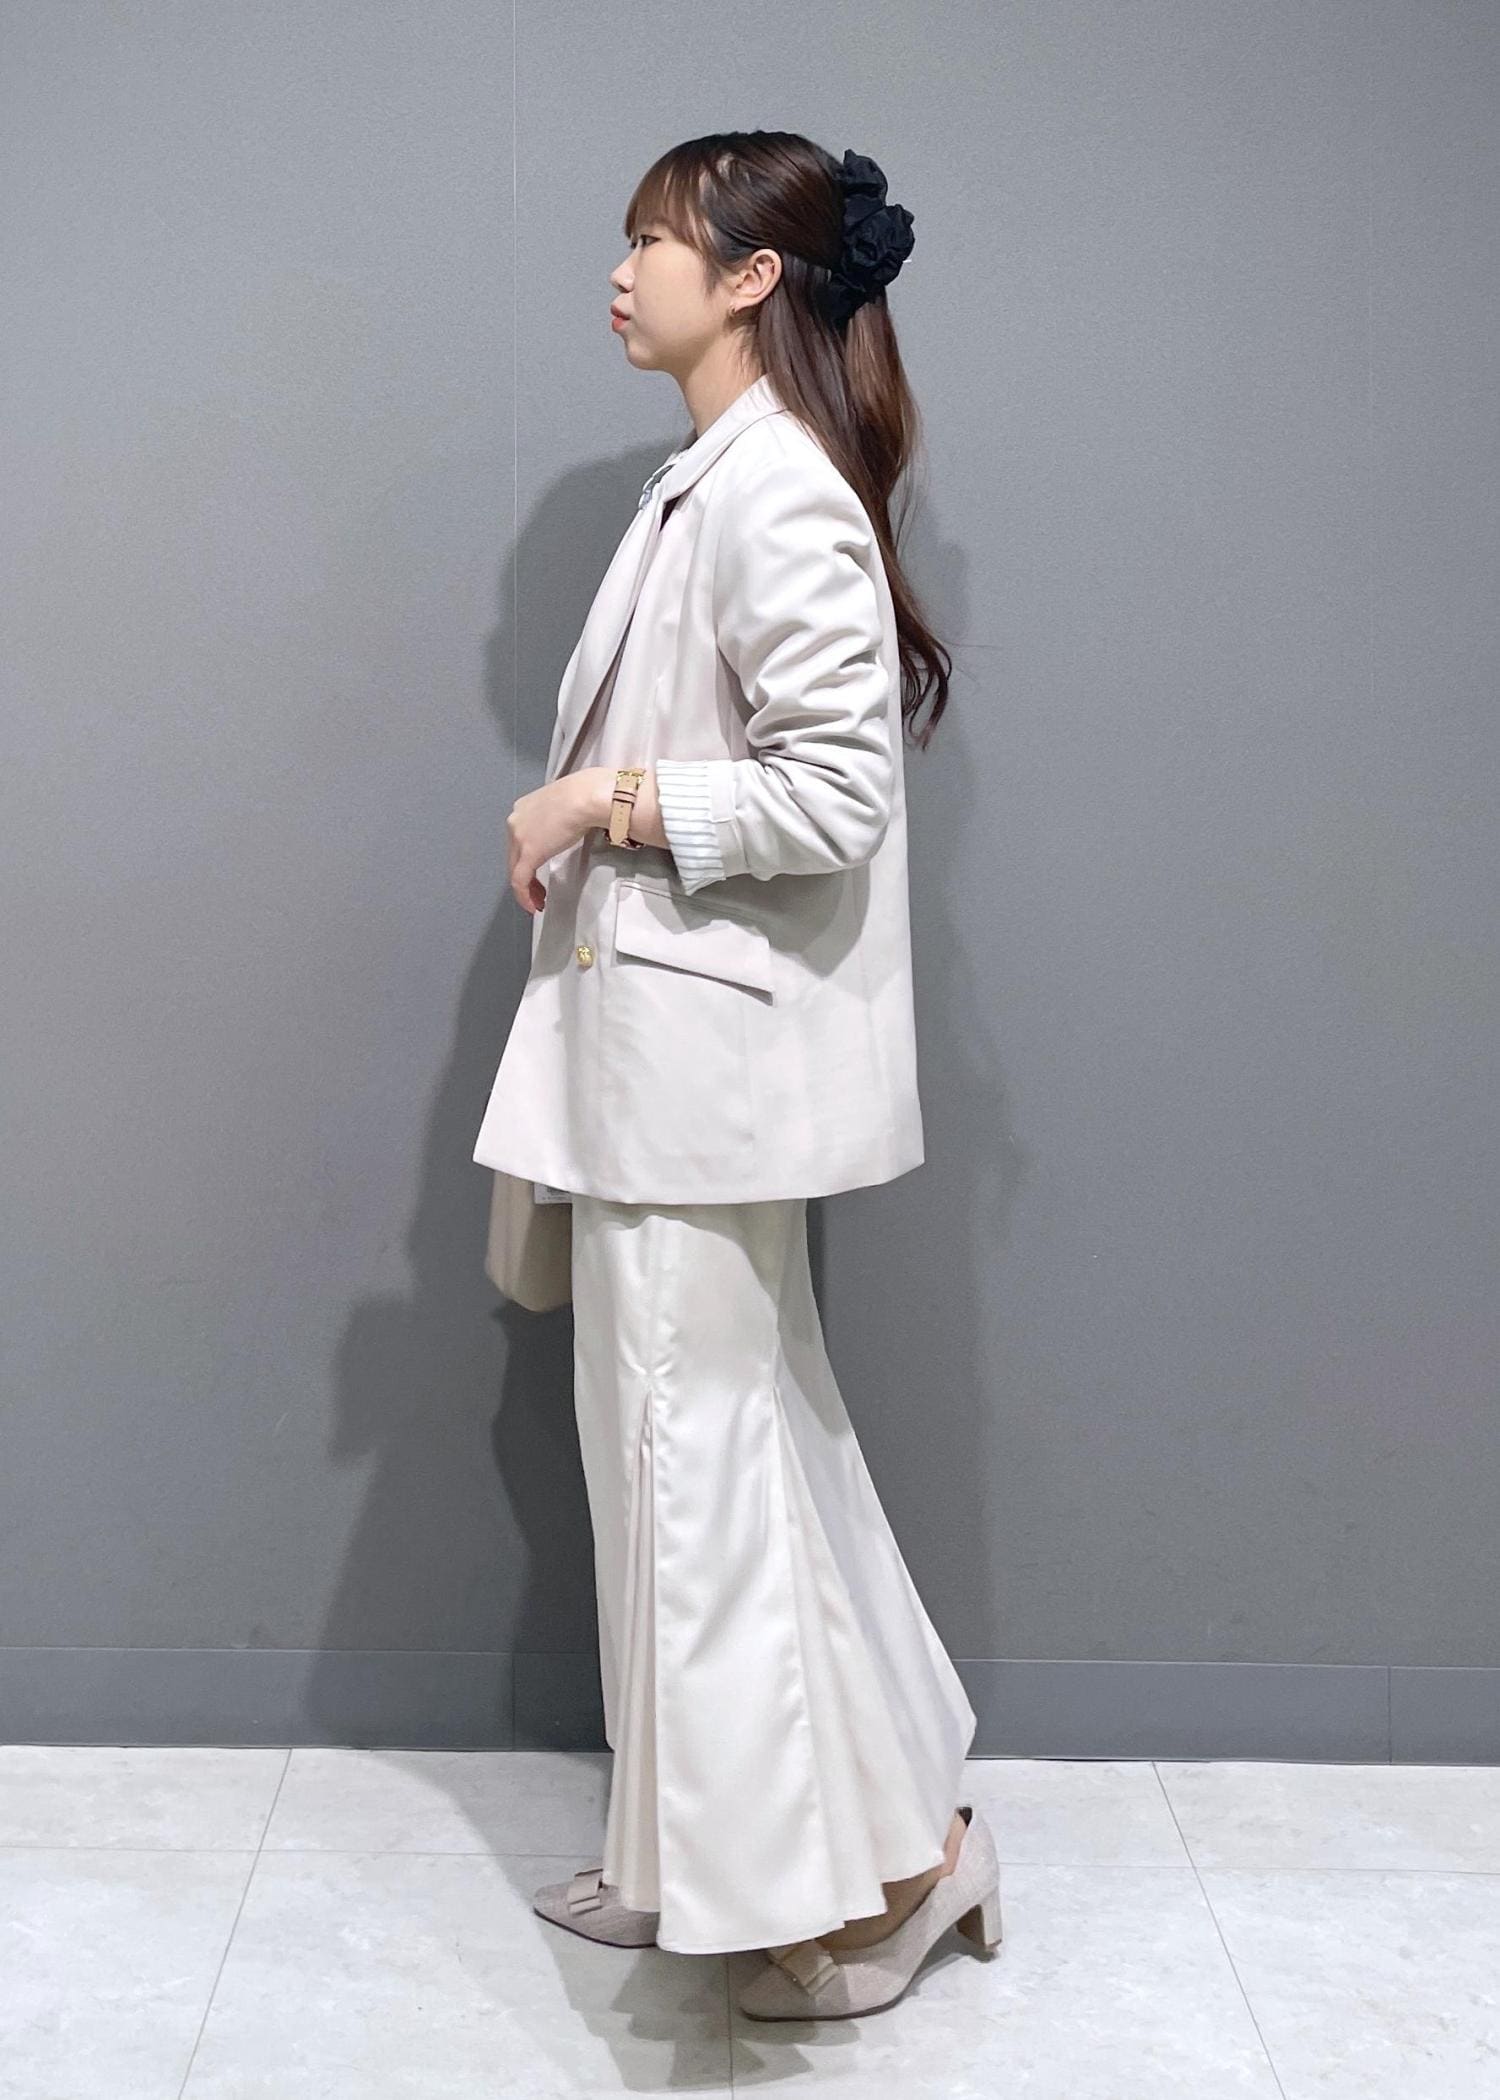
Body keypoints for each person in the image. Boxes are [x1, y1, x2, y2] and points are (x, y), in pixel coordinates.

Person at [471, 130, 1002, 2020]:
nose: (621, 274)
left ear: (754, 276)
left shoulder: (775, 493)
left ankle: (859, 1885)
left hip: (703, 1083)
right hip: (661, 1072)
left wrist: (597, 799)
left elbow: (837, 795)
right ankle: (730, 1856)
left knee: (694, 1471)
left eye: (652, 241)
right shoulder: (712, 479)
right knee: (710, 1458)